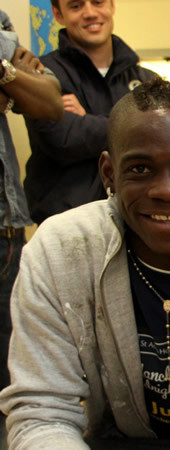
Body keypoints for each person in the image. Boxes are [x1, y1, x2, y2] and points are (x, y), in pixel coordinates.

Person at [0, 78, 170, 449]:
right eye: (141, 170)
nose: (167, 191)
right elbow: (41, 411)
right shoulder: (61, 251)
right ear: (109, 174)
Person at [23, 0, 156, 224]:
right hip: (67, 225)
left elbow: (158, 139)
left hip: (135, 224)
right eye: (76, 6)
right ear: (58, 14)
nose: (90, 13)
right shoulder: (41, 76)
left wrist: (86, 120)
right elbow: (63, 139)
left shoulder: (146, 81)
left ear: (112, 5)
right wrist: (137, 125)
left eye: (98, 2)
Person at [0, 9, 63, 391]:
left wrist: (3, 71)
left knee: (11, 378)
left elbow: (51, 104)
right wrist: (11, 73)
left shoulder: (1, 23)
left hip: (6, 231)